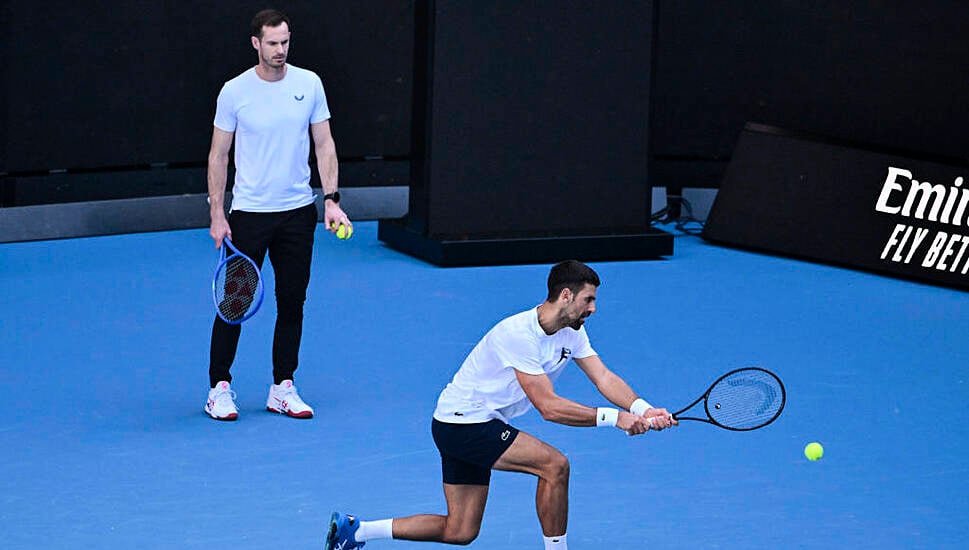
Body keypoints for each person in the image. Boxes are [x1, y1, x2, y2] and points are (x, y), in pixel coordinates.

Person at [325, 260, 676, 549]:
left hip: (462, 423)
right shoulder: (518, 334)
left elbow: (604, 377)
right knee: (555, 466)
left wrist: (644, 409)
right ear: (566, 296)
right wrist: (616, 418)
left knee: (460, 531)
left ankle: (356, 531)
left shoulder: (573, 331)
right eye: (588, 300)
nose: (593, 308)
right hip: (464, 424)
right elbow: (549, 407)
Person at [203, 9, 350, 421]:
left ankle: (282, 387)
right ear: (256, 44)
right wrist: (218, 212)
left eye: (285, 42)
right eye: (272, 43)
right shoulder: (234, 92)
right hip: (248, 214)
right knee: (234, 302)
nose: (280, 50)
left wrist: (332, 199)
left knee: (292, 302)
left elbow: (325, 145)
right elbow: (219, 155)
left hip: (297, 214)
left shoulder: (309, 84)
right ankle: (219, 388)